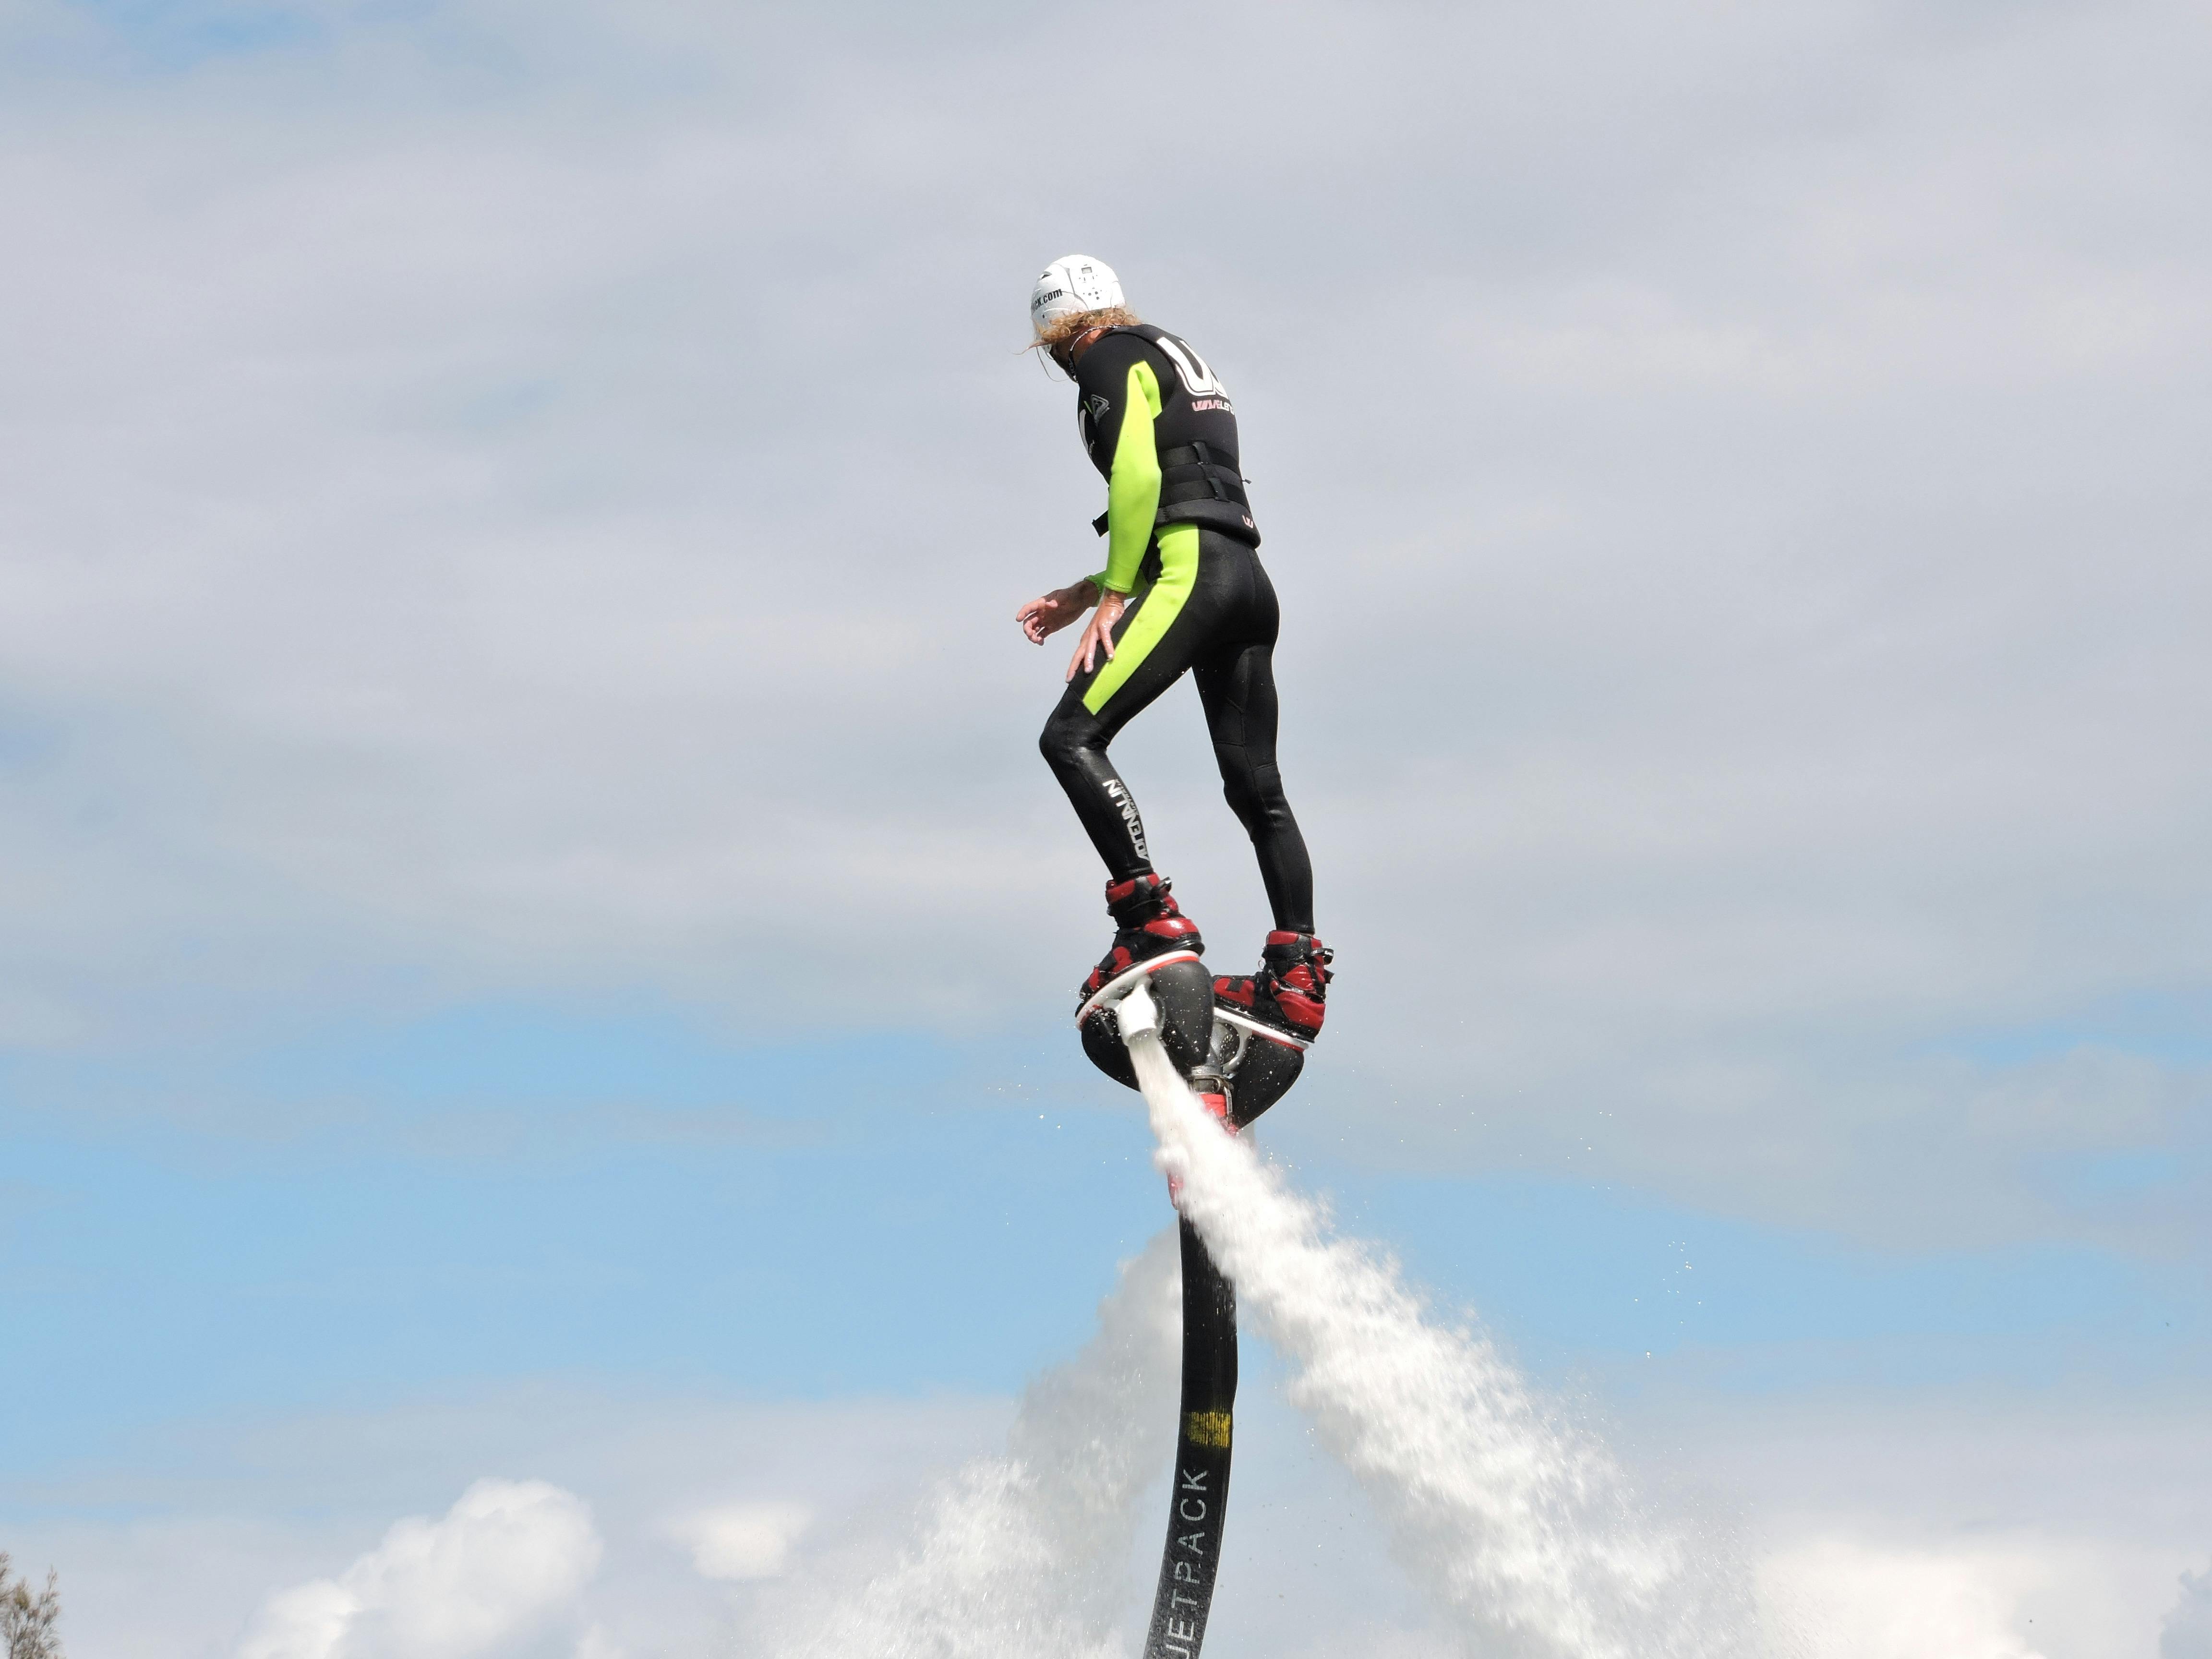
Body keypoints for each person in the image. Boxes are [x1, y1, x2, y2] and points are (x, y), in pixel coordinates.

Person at [1016, 254, 1333, 1046]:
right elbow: (1193, 487)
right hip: (1247, 580)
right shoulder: (1166, 351)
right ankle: (1298, 978)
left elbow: (1136, 475)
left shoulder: (1103, 355)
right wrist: (1087, 588)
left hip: (1191, 575)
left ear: (1054, 335)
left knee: (1070, 738)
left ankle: (1148, 918)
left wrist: (1116, 594)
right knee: (1257, 791)